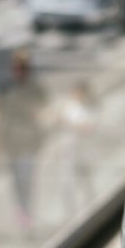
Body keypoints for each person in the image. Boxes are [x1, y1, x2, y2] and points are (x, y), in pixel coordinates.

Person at [0, 49, 48, 231]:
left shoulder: (35, 88)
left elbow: (42, 112)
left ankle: (26, 210)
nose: (20, 71)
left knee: (27, 176)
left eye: (23, 68)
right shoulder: (5, 86)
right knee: (16, 178)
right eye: (17, 67)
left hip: (28, 139)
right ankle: (22, 209)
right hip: (12, 139)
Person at [52, 81, 97, 217]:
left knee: (85, 182)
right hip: (69, 151)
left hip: (83, 151)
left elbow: (88, 128)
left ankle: (89, 210)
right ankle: (70, 214)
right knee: (67, 183)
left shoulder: (90, 108)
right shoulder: (69, 107)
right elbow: (56, 120)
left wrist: (71, 124)